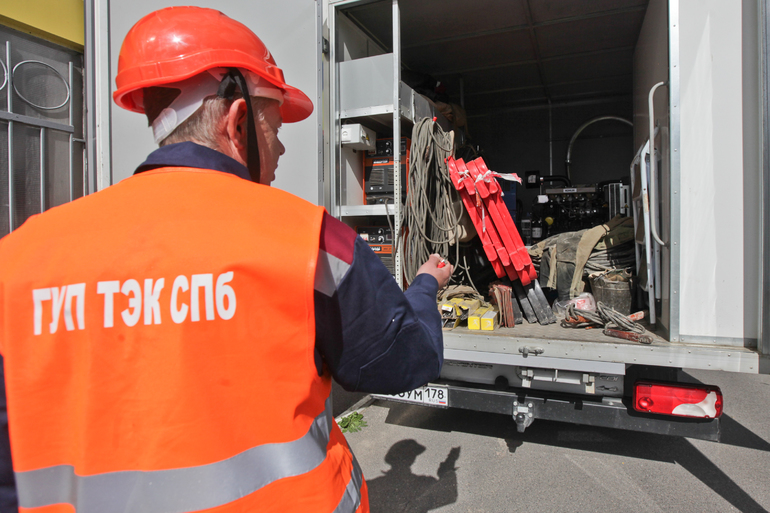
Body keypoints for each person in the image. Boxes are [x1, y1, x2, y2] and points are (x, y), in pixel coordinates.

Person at [0, 6, 453, 513]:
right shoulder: (307, 240)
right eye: (276, 126)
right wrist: (425, 284)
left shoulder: (19, 259)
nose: (280, 149)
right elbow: (404, 358)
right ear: (238, 122)